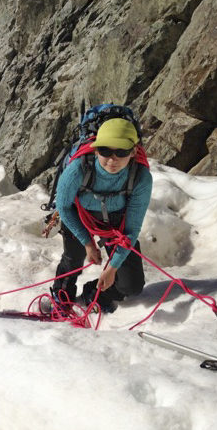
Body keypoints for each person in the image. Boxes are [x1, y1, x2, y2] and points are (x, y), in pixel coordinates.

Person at [52, 117, 153, 313]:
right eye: (105, 151)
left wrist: (112, 269)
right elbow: (64, 207)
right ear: (96, 149)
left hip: (117, 224)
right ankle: (62, 294)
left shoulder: (140, 178)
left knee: (131, 285)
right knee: (73, 258)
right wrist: (87, 243)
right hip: (79, 216)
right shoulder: (78, 170)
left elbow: (131, 230)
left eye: (121, 152)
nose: (112, 159)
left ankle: (97, 292)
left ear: (133, 152)